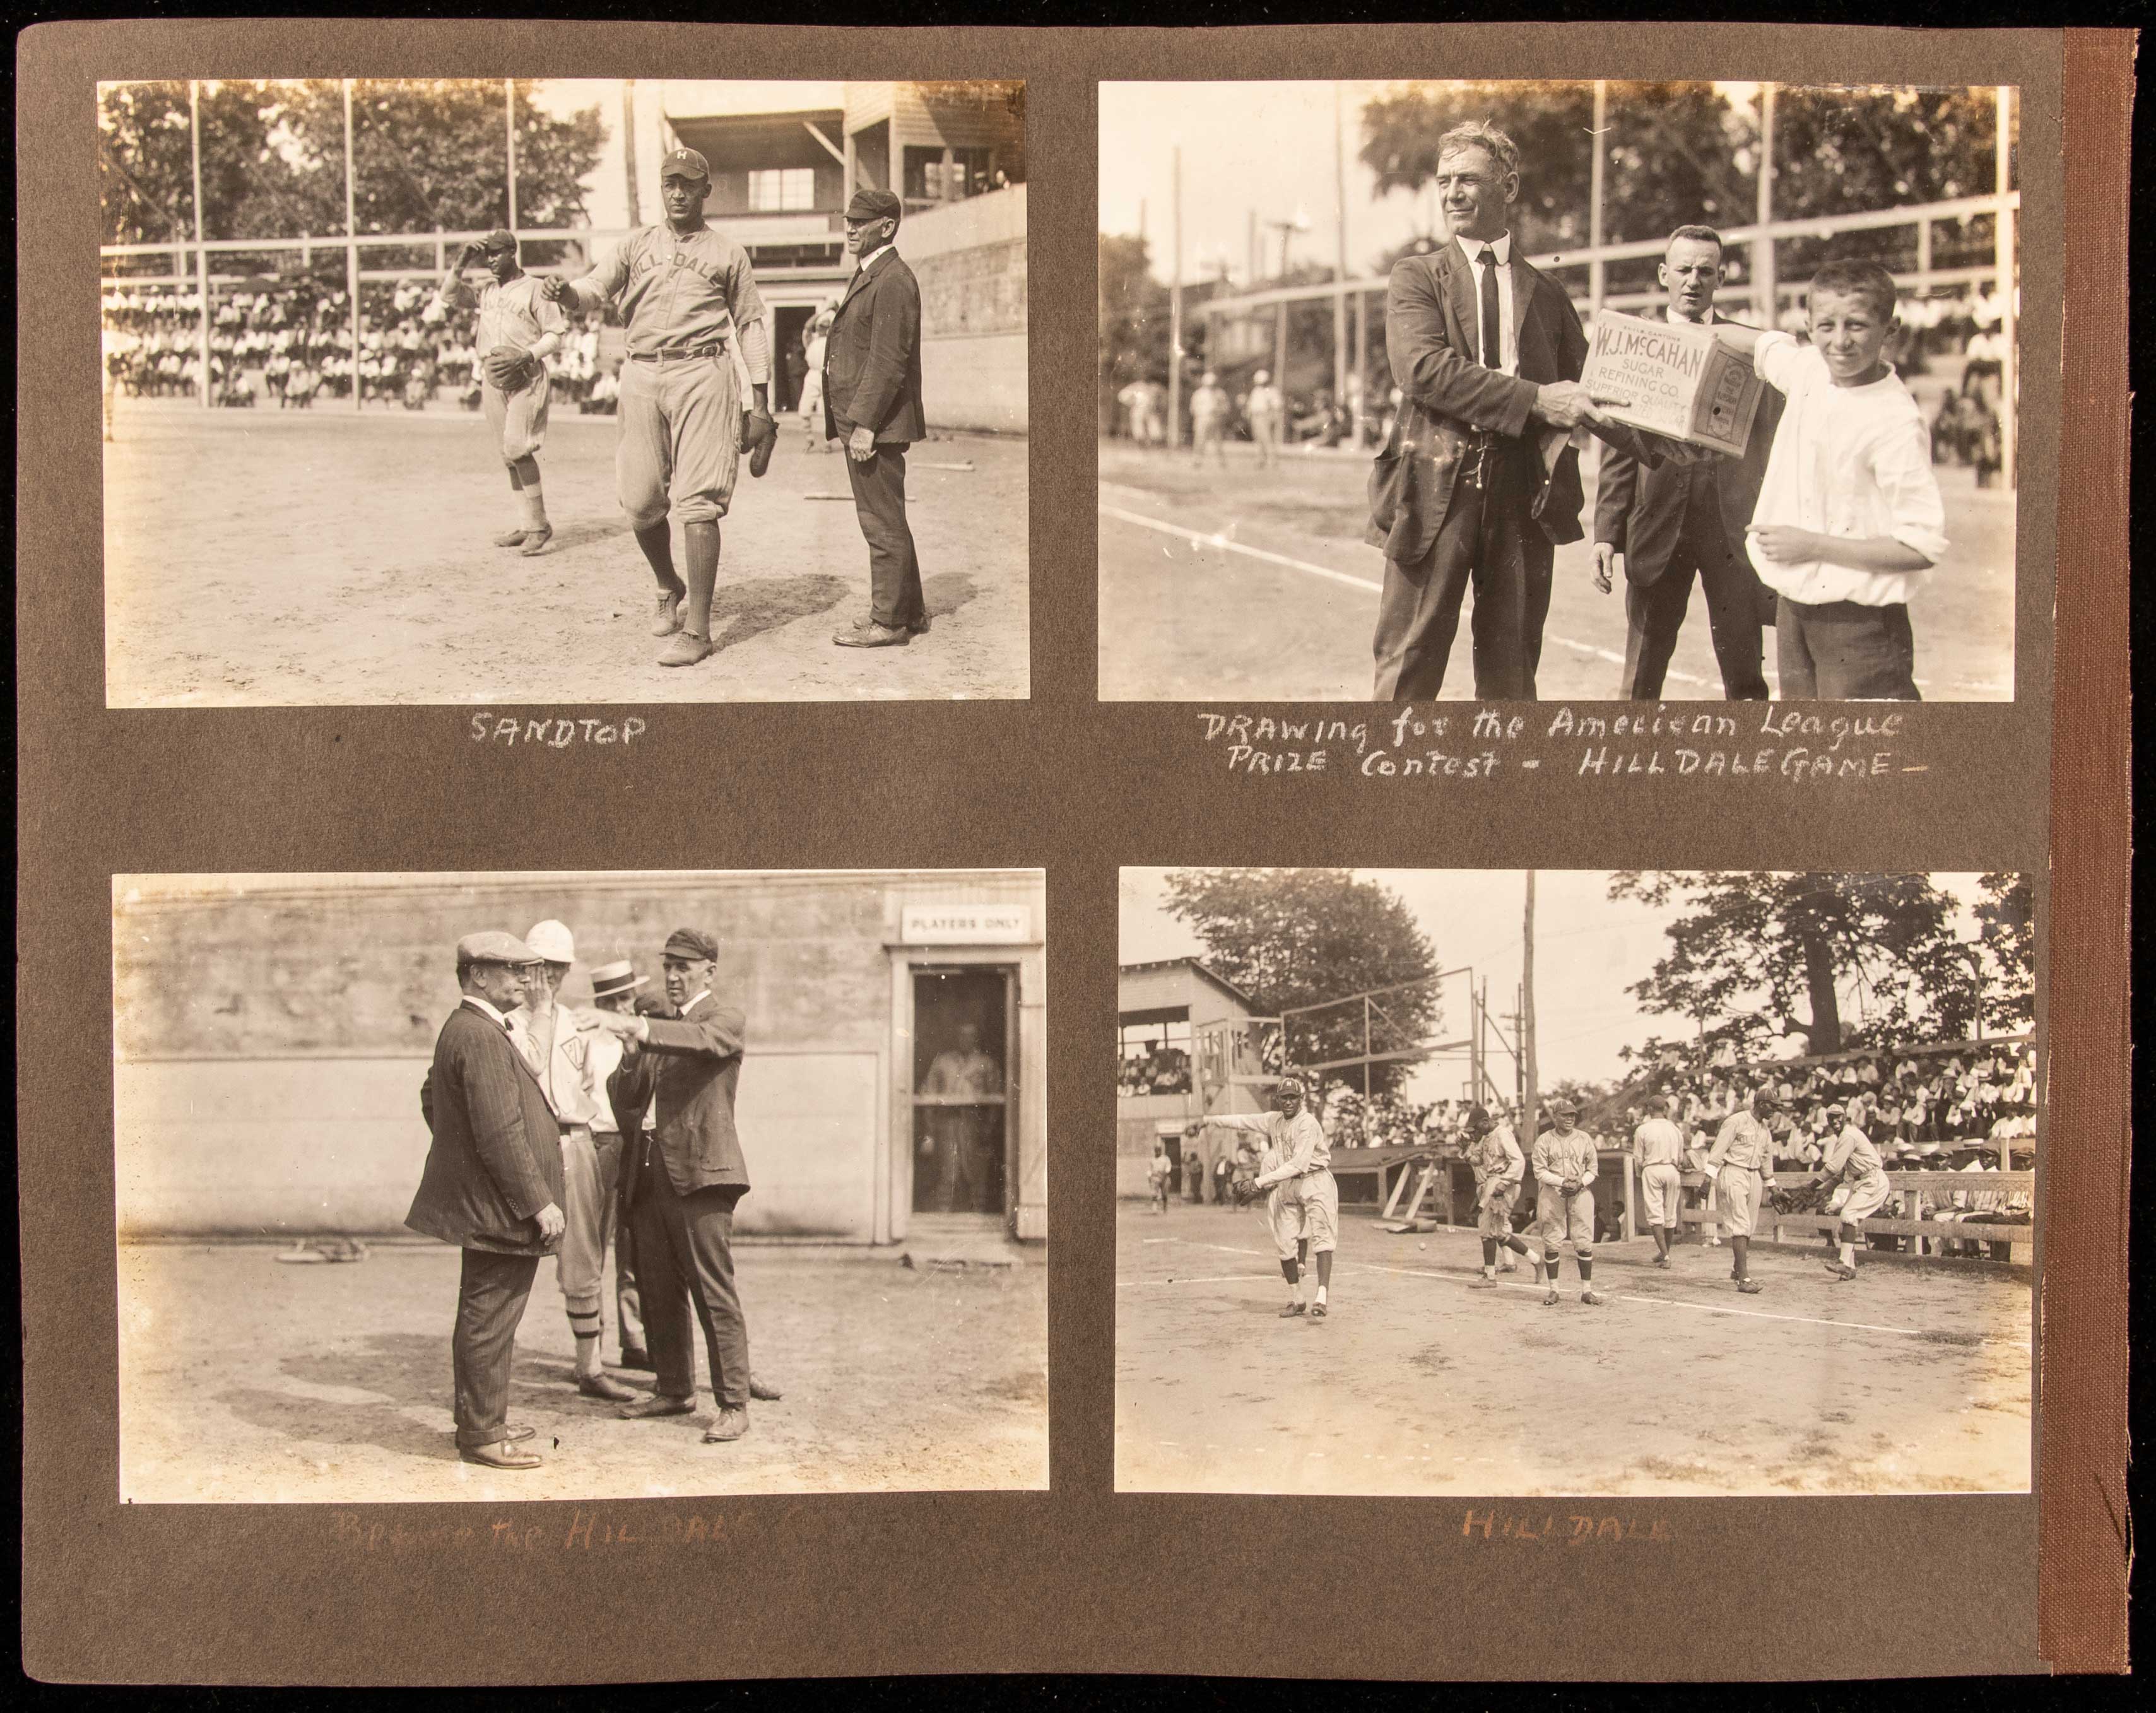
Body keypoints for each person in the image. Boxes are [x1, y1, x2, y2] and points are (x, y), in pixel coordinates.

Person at [1365, 121, 1624, 701]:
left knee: (1512, 672)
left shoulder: (1547, 292)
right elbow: (1423, 370)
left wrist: (1676, 433)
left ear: (1507, 187)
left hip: (1523, 493)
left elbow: (1594, 388)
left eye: (1467, 180)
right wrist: (1536, 399)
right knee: (1409, 665)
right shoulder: (1417, 277)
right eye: (1444, 181)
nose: (1452, 193)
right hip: (1434, 489)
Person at [543, 147, 778, 669]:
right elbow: (594, 288)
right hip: (642, 372)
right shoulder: (636, 244)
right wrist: (566, 294)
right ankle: (668, 584)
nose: (678, 193)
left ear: (705, 190)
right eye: (670, 183)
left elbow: (750, 325)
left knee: (699, 502)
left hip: (703, 371)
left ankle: (699, 629)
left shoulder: (728, 253)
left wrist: (760, 402)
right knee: (640, 501)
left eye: (688, 184)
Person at [1710, 259, 1949, 699]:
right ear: (1809, 327)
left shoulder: (1895, 420)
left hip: (1859, 624)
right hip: (1793, 611)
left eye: (1856, 325)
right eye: (1826, 326)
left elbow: (1920, 548)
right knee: (1802, 736)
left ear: (1890, 329)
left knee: (1861, 740)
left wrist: (1813, 546)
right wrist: (1681, 327)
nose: (1840, 341)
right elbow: (1762, 345)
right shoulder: (1808, 370)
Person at [608, 926, 780, 1445]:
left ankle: (733, 1403)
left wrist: (642, 1028)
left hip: (702, 1174)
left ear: (710, 970)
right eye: (668, 966)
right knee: (658, 1288)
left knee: (712, 1290)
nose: (673, 976)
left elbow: (703, 1041)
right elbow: (625, 1099)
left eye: (683, 967)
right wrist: (631, 1053)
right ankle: (674, 1388)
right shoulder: (660, 1028)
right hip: (650, 1174)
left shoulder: (721, 1020)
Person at [1591, 225, 1779, 700]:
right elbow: (1618, 452)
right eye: (1683, 270)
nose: (1693, 281)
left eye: (1705, 272)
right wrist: (1606, 534)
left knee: (1744, 675)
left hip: (1730, 531)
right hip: (1658, 526)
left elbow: (1771, 446)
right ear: (1663, 275)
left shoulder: (1750, 349)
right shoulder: (1637, 346)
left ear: (1721, 278)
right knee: (1641, 677)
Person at [403, 932, 565, 1470]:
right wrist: (537, 1201)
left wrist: (465, 1158)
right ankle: (481, 1434)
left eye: (526, 970)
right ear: (477, 975)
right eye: (513, 970)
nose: (524, 980)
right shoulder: (478, 1034)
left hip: (493, 1202)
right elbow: (500, 1131)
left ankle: (484, 1421)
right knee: (489, 1318)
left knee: (490, 1315)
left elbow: (433, 1097)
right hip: (504, 1209)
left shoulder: (472, 1028)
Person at [509, 920, 642, 1403]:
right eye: (540, 966)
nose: (548, 976)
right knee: (509, 1255)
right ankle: (494, 1366)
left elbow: (591, 1083)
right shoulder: (508, 1022)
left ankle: (590, 1365)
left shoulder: (576, 1022)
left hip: (575, 1141)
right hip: (528, 1147)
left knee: (583, 1255)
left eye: (558, 968)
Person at [823, 187, 930, 649]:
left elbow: (888, 361)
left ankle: (887, 622)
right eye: (848, 220)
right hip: (869, 421)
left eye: (860, 222)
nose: (849, 228)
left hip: (876, 426)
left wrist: (864, 424)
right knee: (889, 517)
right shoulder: (874, 272)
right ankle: (910, 612)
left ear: (887, 227)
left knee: (879, 521)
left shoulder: (892, 280)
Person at [435, 230, 566, 556]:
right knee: (508, 456)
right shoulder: (487, 290)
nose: (491, 260)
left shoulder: (535, 288)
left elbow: (555, 335)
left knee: (518, 449)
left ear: (512, 252)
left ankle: (540, 526)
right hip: (493, 374)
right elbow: (448, 296)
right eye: (487, 255)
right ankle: (527, 523)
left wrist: (527, 356)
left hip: (526, 374)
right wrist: (462, 261)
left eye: (497, 253)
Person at [1208, 1076, 1339, 1319]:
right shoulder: (1274, 1120)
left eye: (1292, 1097)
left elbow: (1298, 1164)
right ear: (1277, 1099)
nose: (1288, 1102)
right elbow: (1243, 1120)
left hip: (1315, 1179)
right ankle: (1297, 1299)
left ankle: (1321, 1298)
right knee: (1284, 1244)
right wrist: (1209, 1120)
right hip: (1288, 1185)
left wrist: (1259, 1182)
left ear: (1301, 1099)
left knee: (1323, 1238)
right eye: (1283, 1097)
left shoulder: (1307, 1124)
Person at [587, 958, 649, 1369]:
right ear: (603, 1004)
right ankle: (591, 1345)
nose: (624, 1007)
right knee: (594, 1248)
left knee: (634, 1247)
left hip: (636, 1146)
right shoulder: (588, 1042)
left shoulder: (641, 1039)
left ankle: (635, 1340)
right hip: (601, 1144)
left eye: (628, 998)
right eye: (615, 1001)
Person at [919, 1021, 1003, 1213]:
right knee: (947, 1172)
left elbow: (996, 1095)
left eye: (971, 1035)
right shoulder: (943, 1062)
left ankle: (977, 1215)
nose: (966, 1039)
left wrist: (988, 1128)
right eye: (962, 1035)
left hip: (975, 1125)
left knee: (977, 1173)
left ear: (977, 1038)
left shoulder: (986, 1063)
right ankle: (943, 1215)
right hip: (948, 1124)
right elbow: (927, 1093)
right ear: (957, 1037)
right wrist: (929, 1132)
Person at [1529, 1098, 1604, 1306]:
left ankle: (1587, 1291)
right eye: (1565, 1115)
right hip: (1553, 1190)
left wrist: (1581, 1183)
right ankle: (1554, 1290)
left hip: (1580, 1190)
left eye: (1573, 1115)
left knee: (1584, 1240)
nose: (1570, 1118)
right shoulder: (1544, 1140)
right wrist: (1562, 1182)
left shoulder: (1584, 1138)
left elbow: (1593, 1169)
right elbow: (1539, 1172)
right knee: (1552, 1240)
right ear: (1555, 1117)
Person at [1704, 1090, 1779, 1293]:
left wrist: (1773, 1188)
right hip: (1733, 1172)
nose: (1774, 1110)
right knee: (1740, 1225)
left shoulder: (1765, 1130)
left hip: (1754, 1176)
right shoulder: (1736, 1121)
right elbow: (1718, 1150)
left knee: (1750, 1227)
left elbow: (1766, 1160)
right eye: (1772, 1106)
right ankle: (1744, 1279)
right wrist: (1708, 1178)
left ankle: (1737, 1269)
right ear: (1761, 1104)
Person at [1463, 1105, 1536, 1288]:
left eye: (1476, 1127)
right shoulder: (1487, 1137)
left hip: (1503, 1183)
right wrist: (1466, 1153)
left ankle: (1490, 1277)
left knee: (1487, 1229)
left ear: (1485, 1121)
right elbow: (1480, 1161)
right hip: (1493, 1181)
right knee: (1496, 1231)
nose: (1475, 1131)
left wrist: (1504, 1183)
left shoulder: (1503, 1133)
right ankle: (1536, 1259)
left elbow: (1519, 1160)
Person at [1819, 1102, 1891, 1282]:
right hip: (1861, 1181)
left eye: (1838, 1117)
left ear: (1846, 1118)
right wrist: (1823, 1189)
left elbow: (1833, 1167)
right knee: (1845, 1224)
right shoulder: (1843, 1137)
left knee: (1848, 1214)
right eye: (1831, 1117)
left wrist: (1811, 1186)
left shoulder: (1848, 1135)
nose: (1835, 1120)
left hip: (1872, 1179)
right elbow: (1840, 1173)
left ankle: (1844, 1262)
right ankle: (1850, 1269)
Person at [1631, 1094, 1687, 1268]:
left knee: (1655, 1213)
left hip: (1652, 1169)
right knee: (1670, 1213)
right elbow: (1680, 1157)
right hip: (1671, 1169)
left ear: (1649, 1109)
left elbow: (1638, 1158)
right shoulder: (1675, 1129)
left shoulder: (1643, 1129)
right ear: (1665, 1109)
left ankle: (1666, 1256)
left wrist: (1640, 1174)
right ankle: (1665, 1253)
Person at [800, 305, 835, 450]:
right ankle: (809, 439)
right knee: (804, 410)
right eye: (821, 326)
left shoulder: (832, 340)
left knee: (827, 412)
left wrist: (833, 313)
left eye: (826, 326)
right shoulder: (811, 340)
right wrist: (823, 312)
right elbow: (807, 327)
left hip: (828, 375)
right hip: (813, 375)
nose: (823, 328)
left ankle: (828, 443)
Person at [1245, 369, 1284, 468]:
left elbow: (1277, 406)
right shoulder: (1256, 391)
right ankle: (1260, 460)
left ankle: (1272, 461)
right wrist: (1249, 413)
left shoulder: (1272, 391)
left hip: (1265, 416)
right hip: (1256, 416)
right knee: (1258, 439)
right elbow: (1251, 404)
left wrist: (1273, 417)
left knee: (1267, 439)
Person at [1189, 370, 1229, 466]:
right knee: (1200, 440)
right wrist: (1200, 413)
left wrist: (1219, 412)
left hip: (1215, 418)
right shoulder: (1199, 393)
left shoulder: (1220, 393)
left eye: (1212, 384)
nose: (1210, 386)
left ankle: (1221, 460)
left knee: (1218, 440)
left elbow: (1226, 406)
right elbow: (1193, 407)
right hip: (1202, 418)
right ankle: (1197, 460)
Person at [1148, 1139, 1172, 1214]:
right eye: (1156, 1150)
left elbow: (1168, 1167)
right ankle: (1155, 1209)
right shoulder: (1152, 1159)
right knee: (1154, 1194)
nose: (1158, 1152)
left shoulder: (1166, 1158)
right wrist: (1149, 1176)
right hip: (1155, 1177)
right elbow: (1150, 1169)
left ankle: (1165, 1208)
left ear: (1161, 1151)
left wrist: (1165, 1173)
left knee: (1165, 1194)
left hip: (1165, 1177)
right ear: (1155, 1151)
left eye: (1159, 1150)